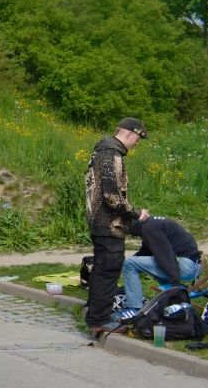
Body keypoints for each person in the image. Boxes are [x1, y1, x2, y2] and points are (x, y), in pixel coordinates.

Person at [85, 116, 150, 336]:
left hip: (99, 222)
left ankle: (95, 314)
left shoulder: (102, 152)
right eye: (138, 139)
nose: (137, 143)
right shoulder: (111, 154)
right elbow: (112, 195)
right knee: (108, 272)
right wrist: (134, 213)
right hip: (109, 224)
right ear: (129, 133)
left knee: (102, 271)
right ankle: (99, 320)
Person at [119, 216, 202, 314]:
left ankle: (134, 308)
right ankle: (176, 300)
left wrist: (175, 281)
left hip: (185, 267)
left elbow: (165, 255)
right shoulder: (151, 224)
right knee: (148, 264)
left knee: (129, 264)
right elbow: (146, 252)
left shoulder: (149, 229)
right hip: (192, 264)